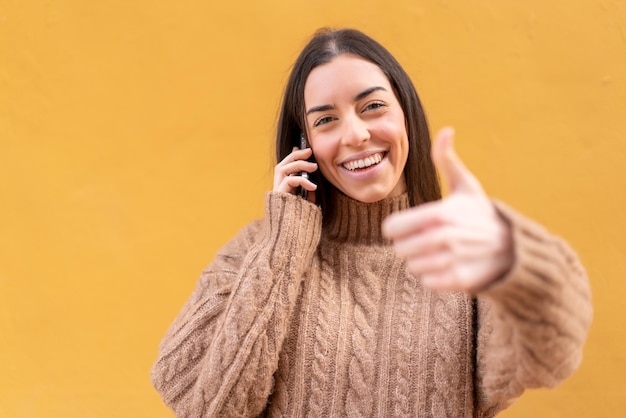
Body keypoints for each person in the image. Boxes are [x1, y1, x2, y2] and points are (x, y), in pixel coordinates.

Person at [150, 28, 592, 417]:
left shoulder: (462, 248)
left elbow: (553, 355)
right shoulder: (256, 251)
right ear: (305, 144)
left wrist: (511, 253)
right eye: (325, 120)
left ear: (406, 115)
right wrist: (283, 248)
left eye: (373, 106)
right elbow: (207, 407)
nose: (355, 135)